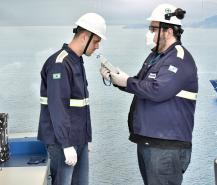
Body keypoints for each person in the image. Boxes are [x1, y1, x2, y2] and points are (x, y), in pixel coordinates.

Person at [100, 3, 198, 185]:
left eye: (153, 28)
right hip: (149, 142)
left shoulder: (179, 58)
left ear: (168, 31)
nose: (149, 33)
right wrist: (117, 79)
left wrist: (127, 81)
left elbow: (158, 90)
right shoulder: (155, 56)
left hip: (166, 147)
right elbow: (140, 84)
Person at [38, 13, 106, 185]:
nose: (98, 46)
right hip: (63, 142)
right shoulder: (60, 64)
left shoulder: (76, 61)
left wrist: (84, 139)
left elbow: (78, 106)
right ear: (85, 36)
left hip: (77, 138)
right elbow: (57, 106)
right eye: (96, 41)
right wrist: (66, 144)